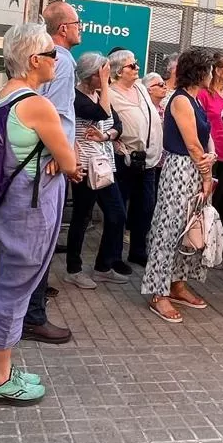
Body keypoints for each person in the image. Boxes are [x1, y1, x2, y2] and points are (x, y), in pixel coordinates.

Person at [0, 22, 82, 404]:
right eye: (52, 54)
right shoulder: (37, 104)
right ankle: (0, 378)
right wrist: (62, 156)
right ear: (34, 59)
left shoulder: (5, 96)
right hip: (31, 212)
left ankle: (0, 369)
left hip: (13, 209)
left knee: (11, 286)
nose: (58, 59)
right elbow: (70, 161)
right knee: (14, 291)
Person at [20, 1, 81, 344]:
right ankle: (33, 315)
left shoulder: (47, 60)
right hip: (49, 164)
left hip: (45, 159)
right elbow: (55, 113)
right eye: (76, 22)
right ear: (62, 29)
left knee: (38, 240)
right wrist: (60, 154)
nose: (80, 28)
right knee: (42, 240)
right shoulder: (63, 61)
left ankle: (33, 302)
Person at [142, 48, 217, 323]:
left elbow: (203, 141)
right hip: (182, 169)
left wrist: (209, 162)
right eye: (209, 69)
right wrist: (207, 176)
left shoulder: (195, 100)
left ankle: (177, 284)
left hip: (194, 169)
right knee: (170, 228)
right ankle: (157, 292)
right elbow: (192, 144)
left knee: (190, 228)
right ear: (200, 72)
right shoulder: (182, 100)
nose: (213, 75)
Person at [64, 52, 130, 288]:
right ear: (91, 75)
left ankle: (103, 266)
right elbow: (101, 113)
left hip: (104, 165)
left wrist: (106, 135)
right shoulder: (76, 98)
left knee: (117, 215)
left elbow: (117, 123)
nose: (107, 77)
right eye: (102, 73)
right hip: (84, 165)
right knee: (82, 217)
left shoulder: (101, 95)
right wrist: (104, 84)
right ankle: (73, 269)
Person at [107, 49, 161, 266]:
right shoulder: (109, 93)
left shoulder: (140, 88)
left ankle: (138, 250)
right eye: (132, 66)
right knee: (119, 210)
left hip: (148, 160)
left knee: (146, 207)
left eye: (136, 64)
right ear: (119, 71)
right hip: (125, 158)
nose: (137, 68)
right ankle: (114, 256)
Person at [198, 52, 223, 249]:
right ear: (216, 70)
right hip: (209, 155)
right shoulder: (204, 94)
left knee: (219, 200)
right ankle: (199, 240)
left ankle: (213, 244)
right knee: (205, 198)